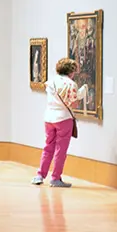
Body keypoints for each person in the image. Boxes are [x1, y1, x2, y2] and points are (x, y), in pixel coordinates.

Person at [36, 56, 85, 187]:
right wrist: (80, 95)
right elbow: (73, 104)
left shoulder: (50, 82)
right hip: (63, 118)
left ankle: (40, 175)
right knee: (60, 149)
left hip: (48, 117)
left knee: (48, 147)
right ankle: (55, 177)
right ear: (71, 71)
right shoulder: (71, 84)